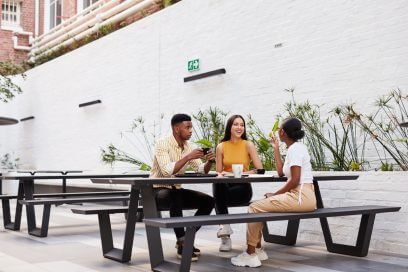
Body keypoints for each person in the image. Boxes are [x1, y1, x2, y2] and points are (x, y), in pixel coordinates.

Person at [231, 117, 316, 268]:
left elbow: (295, 180)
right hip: (303, 196)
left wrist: (275, 194)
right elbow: (281, 173)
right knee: (258, 206)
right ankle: (257, 249)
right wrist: (276, 148)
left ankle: (250, 254)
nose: (278, 131)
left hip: (300, 197)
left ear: (282, 132)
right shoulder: (295, 148)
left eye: (279, 129)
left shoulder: (296, 149)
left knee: (254, 208)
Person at [150, 113, 215, 262]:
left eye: (191, 127)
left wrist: (209, 162)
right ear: (177, 128)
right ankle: (183, 241)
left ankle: (185, 239)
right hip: (155, 190)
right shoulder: (162, 144)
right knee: (175, 195)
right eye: (187, 127)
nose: (191, 130)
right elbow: (167, 171)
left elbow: (200, 170)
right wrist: (187, 157)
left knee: (209, 201)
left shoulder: (188, 147)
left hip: (175, 191)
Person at [214, 115, 263, 252]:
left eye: (242, 125)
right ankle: (226, 232)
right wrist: (223, 175)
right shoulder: (221, 147)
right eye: (236, 124)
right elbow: (219, 172)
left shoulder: (248, 145)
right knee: (217, 182)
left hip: (243, 189)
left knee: (218, 197)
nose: (239, 127)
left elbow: (260, 169)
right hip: (225, 188)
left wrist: (245, 174)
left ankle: (224, 232)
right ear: (229, 127)